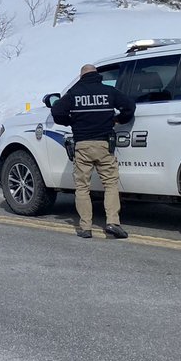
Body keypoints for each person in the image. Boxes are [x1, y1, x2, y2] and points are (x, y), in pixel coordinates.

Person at [51, 64, 135, 239]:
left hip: (82, 146)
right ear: (97, 76)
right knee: (110, 184)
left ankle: (86, 227)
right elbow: (130, 106)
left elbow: (56, 111)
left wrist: (70, 121)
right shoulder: (108, 91)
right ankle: (113, 222)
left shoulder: (74, 94)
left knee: (82, 187)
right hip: (104, 145)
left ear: (82, 77)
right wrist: (117, 119)